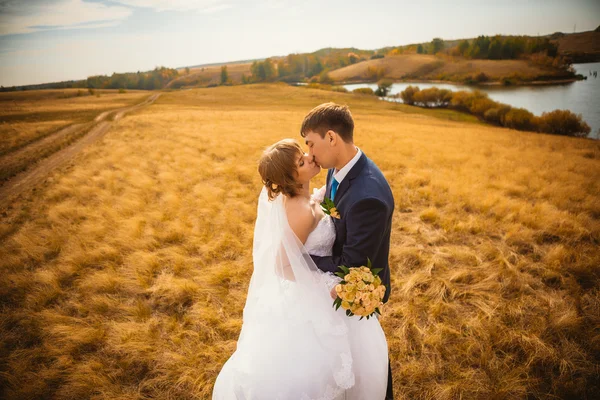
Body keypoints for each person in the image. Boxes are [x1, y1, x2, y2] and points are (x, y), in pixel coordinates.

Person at [212, 138, 389, 399]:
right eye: (301, 161)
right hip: (311, 295)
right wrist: (329, 284)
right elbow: (282, 266)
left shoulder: (308, 197)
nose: (310, 157)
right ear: (291, 177)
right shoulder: (300, 211)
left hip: (317, 282)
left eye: (305, 153)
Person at [301, 102, 395, 400]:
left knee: (363, 367)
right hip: (337, 287)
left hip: (355, 294)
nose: (310, 153)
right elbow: (333, 215)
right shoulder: (339, 169)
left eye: (311, 143)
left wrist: (302, 259)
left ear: (331, 138)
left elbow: (351, 264)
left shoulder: (367, 196)